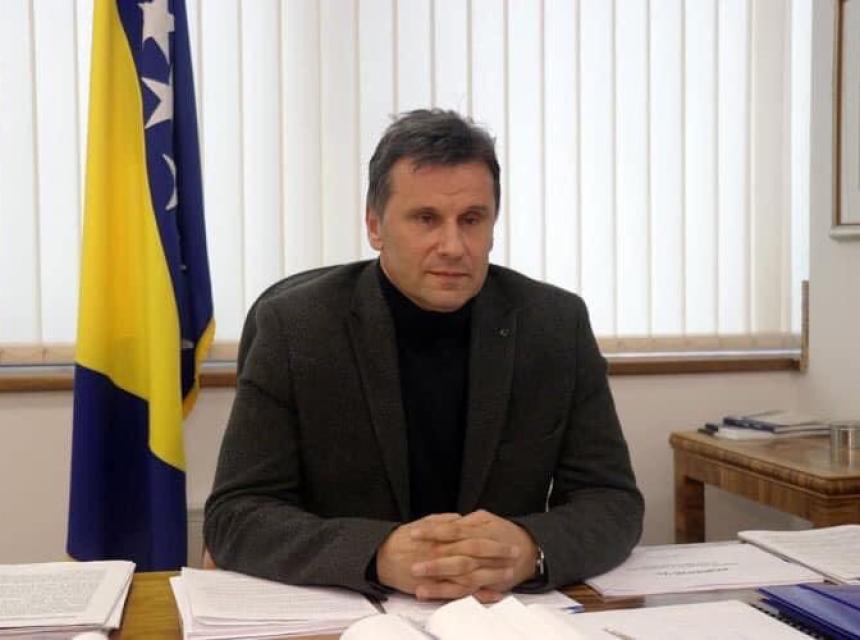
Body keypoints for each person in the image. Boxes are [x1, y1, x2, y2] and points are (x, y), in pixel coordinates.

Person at [204, 109, 643, 602]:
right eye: (426, 219)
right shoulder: (295, 328)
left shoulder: (555, 325)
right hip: (349, 612)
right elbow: (235, 514)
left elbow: (612, 501)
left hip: (501, 613)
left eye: (472, 220)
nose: (453, 246)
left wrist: (531, 548)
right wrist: (376, 554)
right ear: (375, 226)